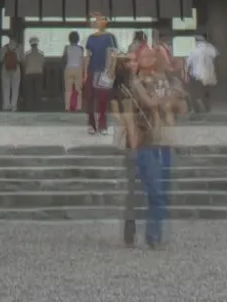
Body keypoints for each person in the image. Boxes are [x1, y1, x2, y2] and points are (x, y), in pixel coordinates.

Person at [124, 38, 181, 249]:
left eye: (152, 56)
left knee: (162, 191)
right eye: (144, 56)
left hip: (164, 140)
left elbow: (176, 103)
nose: (150, 58)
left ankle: (154, 233)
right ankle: (147, 232)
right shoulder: (133, 84)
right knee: (153, 190)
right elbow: (137, 109)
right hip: (145, 141)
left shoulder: (164, 81)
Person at [85, 15, 119, 135]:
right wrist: (85, 72)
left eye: (103, 19)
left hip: (104, 71)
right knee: (89, 98)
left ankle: (103, 125)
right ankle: (91, 124)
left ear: (106, 22)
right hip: (92, 70)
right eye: (98, 20)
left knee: (103, 99)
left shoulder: (110, 37)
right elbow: (88, 56)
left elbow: (114, 54)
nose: (100, 22)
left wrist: (112, 69)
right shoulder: (91, 38)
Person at [185, 33, 219, 115]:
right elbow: (217, 61)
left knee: (195, 93)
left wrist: (186, 75)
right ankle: (207, 108)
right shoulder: (211, 48)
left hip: (197, 75)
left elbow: (187, 64)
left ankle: (197, 109)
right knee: (206, 92)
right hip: (209, 75)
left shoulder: (193, 50)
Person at [22, 37, 47, 110]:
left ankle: (29, 107)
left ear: (30, 44)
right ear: (37, 44)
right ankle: (38, 107)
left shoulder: (26, 54)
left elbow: (24, 64)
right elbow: (43, 64)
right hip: (38, 73)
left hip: (29, 73)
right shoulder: (41, 54)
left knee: (29, 91)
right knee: (38, 91)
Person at [64, 30, 86, 113]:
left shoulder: (66, 48)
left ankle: (67, 107)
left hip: (69, 68)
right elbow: (82, 60)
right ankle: (78, 107)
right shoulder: (81, 48)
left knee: (68, 90)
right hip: (78, 69)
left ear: (69, 39)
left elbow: (65, 59)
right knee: (78, 89)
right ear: (78, 39)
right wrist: (83, 71)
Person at [1, 36, 22, 112]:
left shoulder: (4, 47)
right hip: (16, 68)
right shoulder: (20, 47)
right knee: (15, 88)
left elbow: (0, 59)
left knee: (6, 87)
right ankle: (13, 106)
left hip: (5, 68)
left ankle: (6, 105)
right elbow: (21, 59)